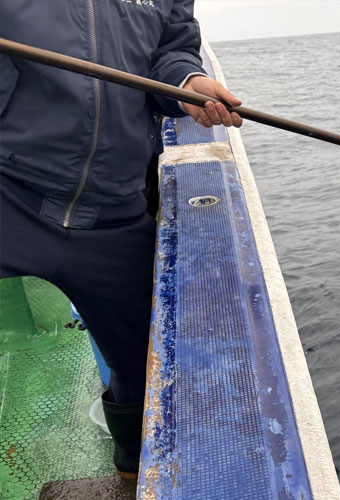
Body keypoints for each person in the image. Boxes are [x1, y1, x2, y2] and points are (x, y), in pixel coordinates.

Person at [0, 0, 242, 480]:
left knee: (150, 369)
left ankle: (133, 475)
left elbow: (170, 51)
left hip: (115, 210)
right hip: (11, 187)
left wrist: (187, 85)